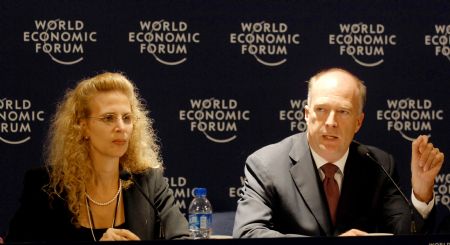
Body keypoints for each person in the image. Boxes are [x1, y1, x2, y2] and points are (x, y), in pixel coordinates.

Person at [233, 67, 445, 237]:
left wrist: (421, 192)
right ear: (307, 114)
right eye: (321, 110)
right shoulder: (266, 164)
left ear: (358, 122)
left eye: (343, 112)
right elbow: (248, 233)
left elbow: (405, 234)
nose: (331, 122)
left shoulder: (379, 164)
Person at [6, 72, 189, 242]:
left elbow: (182, 238)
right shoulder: (46, 187)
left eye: (126, 118)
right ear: (82, 126)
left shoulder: (148, 182)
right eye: (108, 118)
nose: (121, 127)